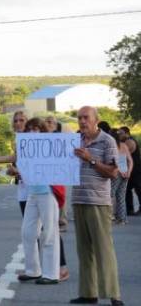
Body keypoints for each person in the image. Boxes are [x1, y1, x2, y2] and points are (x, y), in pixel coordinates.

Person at [0, 118, 62, 285]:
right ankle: (33, 270)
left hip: (48, 194)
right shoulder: (24, 150)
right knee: (28, 232)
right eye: (30, 129)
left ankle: (51, 274)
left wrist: (19, 171)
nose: (33, 131)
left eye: (37, 128)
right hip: (33, 193)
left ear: (43, 131)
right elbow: (1, 158)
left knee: (49, 234)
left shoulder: (49, 147)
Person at [70, 106, 124, 306]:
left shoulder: (107, 141)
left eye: (86, 118)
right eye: (79, 118)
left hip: (98, 202)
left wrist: (90, 159)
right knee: (84, 251)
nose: (82, 121)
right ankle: (88, 293)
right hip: (78, 199)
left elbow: (113, 172)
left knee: (104, 250)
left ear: (95, 120)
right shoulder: (75, 141)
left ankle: (114, 295)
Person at [45, 116, 69, 232]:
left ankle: (61, 220)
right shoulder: (39, 137)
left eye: (50, 122)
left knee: (59, 194)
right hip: (44, 172)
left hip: (58, 171)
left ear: (55, 124)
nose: (48, 124)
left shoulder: (60, 137)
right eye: (46, 122)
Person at [109, 129, 133, 225]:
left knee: (110, 195)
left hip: (117, 171)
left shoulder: (112, 146)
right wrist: (129, 171)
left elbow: (114, 161)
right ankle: (122, 219)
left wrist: (119, 170)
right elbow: (130, 160)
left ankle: (109, 216)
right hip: (125, 170)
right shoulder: (124, 145)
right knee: (121, 196)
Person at [119, 126, 141, 216]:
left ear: (127, 134)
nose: (119, 135)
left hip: (135, 170)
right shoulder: (126, 141)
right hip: (133, 170)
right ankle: (129, 209)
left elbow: (122, 156)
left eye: (121, 133)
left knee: (138, 189)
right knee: (128, 190)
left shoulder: (129, 142)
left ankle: (130, 209)